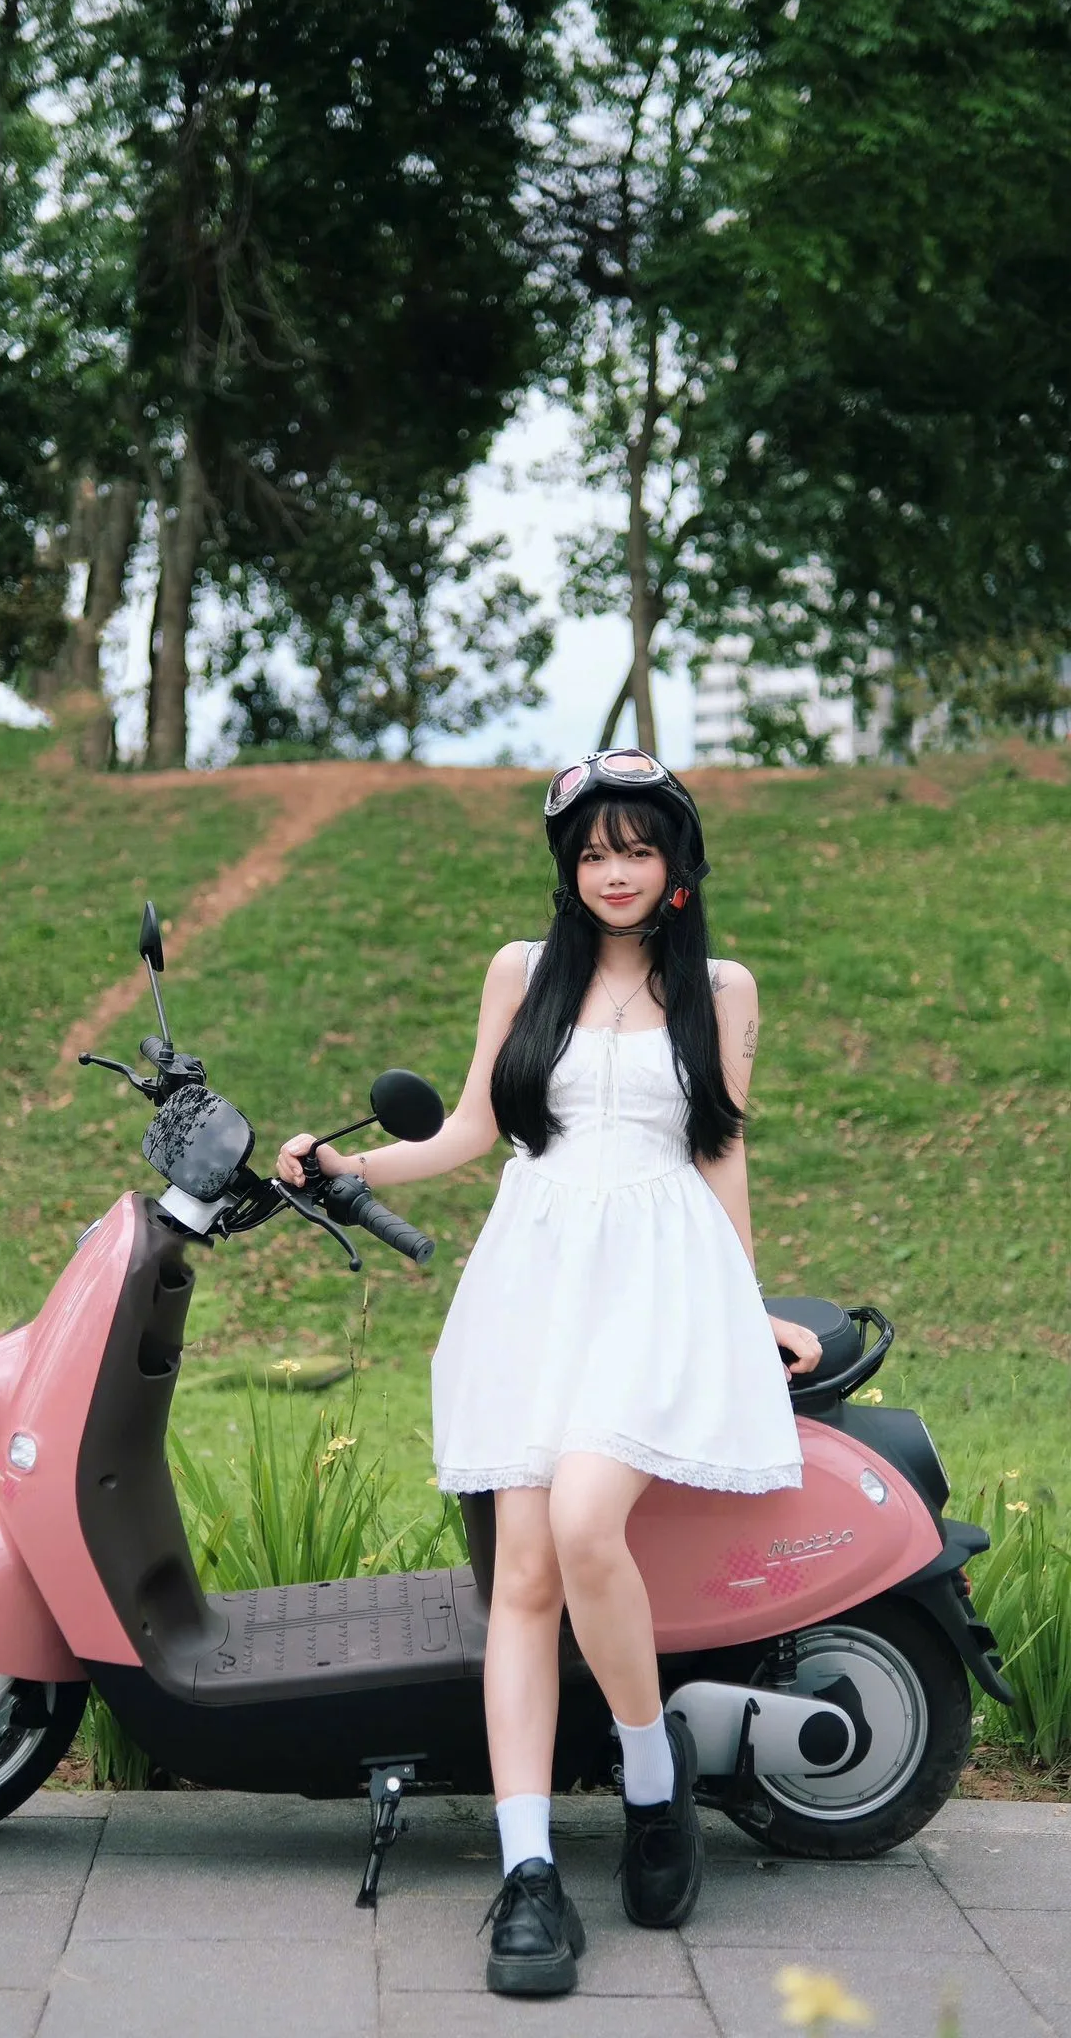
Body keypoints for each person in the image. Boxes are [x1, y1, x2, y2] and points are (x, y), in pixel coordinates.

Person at [276, 748, 823, 1997]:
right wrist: (349, 1168)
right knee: (521, 1572)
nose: (613, 872)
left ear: (677, 861)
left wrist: (747, 1305)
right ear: (566, 867)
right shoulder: (522, 971)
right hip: (534, 1274)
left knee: (583, 1522)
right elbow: (474, 1126)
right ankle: (527, 1873)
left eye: (635, 848)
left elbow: (721, 1151)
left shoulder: (721, 989)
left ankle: (651, 1777)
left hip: (661, 1281)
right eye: (591, 852)